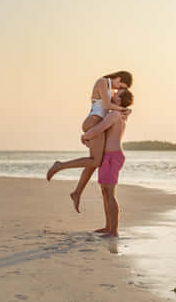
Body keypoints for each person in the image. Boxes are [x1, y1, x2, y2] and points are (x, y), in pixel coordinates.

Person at [46, 71, 133, 213]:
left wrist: (125, 110)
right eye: (119, 85)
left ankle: (77, 192)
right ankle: (60, 166)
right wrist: (124, 109)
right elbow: (107, 105)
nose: (117, 89)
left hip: (97, 123)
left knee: (94, 162)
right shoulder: (102, 81)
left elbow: (114, 108)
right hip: (93, 121)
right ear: (118, 77)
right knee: (95, 161)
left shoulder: (110, 89)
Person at [81, 88, 134, 237]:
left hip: (112, 156)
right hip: (108, 156)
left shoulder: (115, 114)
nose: (114, 94)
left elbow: (99, 128)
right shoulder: (120, 113)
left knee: (110, 193)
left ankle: (114, 230)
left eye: (117, 94)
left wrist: (85, 135)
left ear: (119, 100)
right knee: (105, 192)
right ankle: (108, 226)